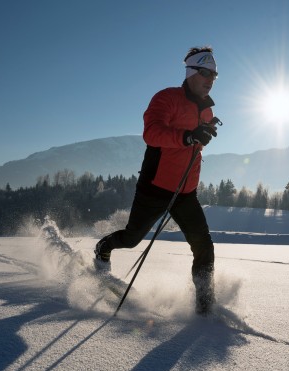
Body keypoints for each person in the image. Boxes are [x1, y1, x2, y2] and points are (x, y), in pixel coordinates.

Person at [94, 46, 219, 315]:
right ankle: (104, 247)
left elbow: (194, 144)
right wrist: (188, 136)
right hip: (156, 186)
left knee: (204, 247)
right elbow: (152, 133)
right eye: (205, 72)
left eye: (214, 75)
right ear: (190, 72)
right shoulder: (167, 98)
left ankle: (205, 307)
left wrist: (204, 133)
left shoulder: (207, 111)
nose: (211, 79)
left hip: (186, 192)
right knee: (131, 238)